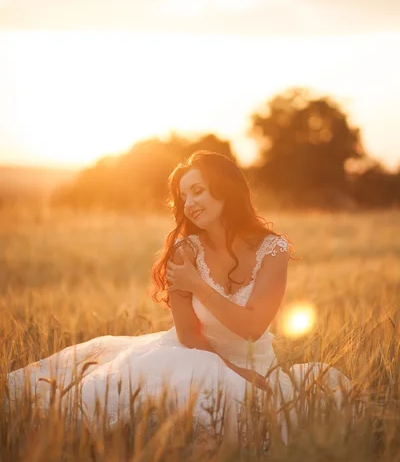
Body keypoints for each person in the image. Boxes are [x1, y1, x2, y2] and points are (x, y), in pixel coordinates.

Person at [7, 150, 349, 441]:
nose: (190, 203)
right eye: (184, 196)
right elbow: (188, 334)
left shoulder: (272, 249)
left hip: (259, 366)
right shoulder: (184, 252)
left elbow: (254, 327)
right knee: (77, 409)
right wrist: (233, 371)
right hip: (193, 353)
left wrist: (198, 285)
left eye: (198, 190)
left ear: (226, 189)